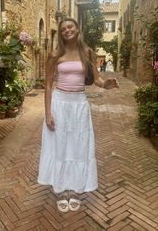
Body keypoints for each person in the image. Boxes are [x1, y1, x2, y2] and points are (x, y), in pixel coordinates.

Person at [37, 17, 119, 213]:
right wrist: (48, 112)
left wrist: (106, 85)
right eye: (63, 28)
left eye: (70, 26)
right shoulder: (55, 54)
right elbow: (48, 84)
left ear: (77, 28)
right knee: (60, 146)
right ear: (61, 32)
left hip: (79, 105)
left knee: (78, 146)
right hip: (59, 103)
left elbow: (97, 79)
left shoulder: (87, 52)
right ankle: (61, 190)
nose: (67, 30)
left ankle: (74, 191)